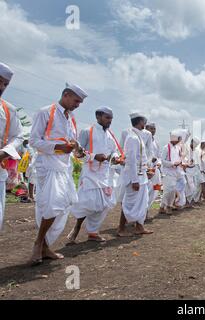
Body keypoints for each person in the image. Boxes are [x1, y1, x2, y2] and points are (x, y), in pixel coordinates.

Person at [29, 83, 87, 264]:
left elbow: (72, 142)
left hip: (64, 167)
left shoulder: (72, 118)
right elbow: (33, 141)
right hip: (48, 165)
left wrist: (78, 150)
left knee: (63, 206)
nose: (78, 105)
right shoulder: (45, 112)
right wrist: (57, 147)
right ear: (66, 95)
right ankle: (38, 244)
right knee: (52, 205)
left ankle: (45, 246)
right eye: (76, 101)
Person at [67, 107, 121, 243]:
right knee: (88, 203)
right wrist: (93, 157)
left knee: (104, 204)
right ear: (98, 116)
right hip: (90, 173)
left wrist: (115, 158)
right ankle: (76, 228)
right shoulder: (87, 131)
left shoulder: (110, 135)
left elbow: (114, 151)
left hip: (106, 174)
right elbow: (77, 153)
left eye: (111, 118)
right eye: (107, 117)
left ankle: (93, 232)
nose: (110, 121)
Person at [117, 113, 153, 236]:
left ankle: (139, 226)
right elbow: (131, 161)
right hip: (135, 177)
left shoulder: (138, 137)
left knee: (142, 202)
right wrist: (134, 180)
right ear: (140, 122)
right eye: (144, 121)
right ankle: (121, 229)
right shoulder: (132, 138)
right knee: (129, 202)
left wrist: (146, 171)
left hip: (141, 175)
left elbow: (140, 159)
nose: (145, 124)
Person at [0, 62, 24, 230]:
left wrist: (5, 151)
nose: (2, 87)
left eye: (6, 84)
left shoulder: (8, 109)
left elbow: (18, 136)